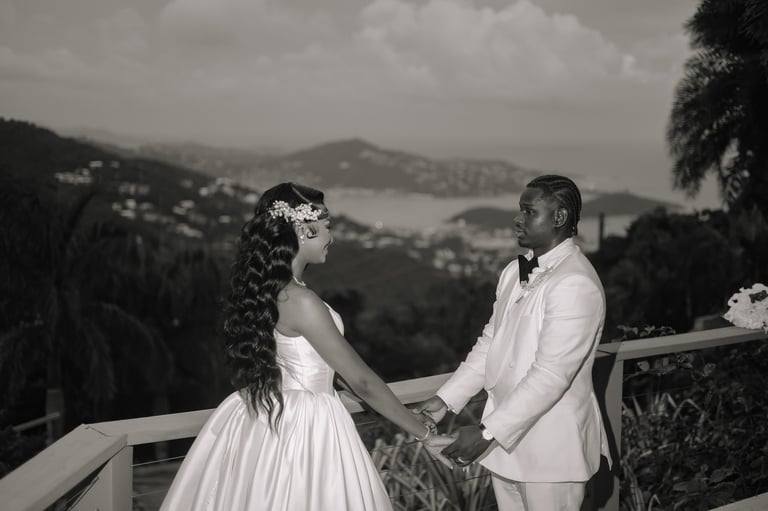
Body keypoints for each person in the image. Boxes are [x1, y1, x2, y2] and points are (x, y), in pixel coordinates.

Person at [160, 182, 449, 511]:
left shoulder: (269, 289)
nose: (331, 238)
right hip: (307, 426)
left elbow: (317, 362)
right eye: (326, 228)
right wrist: (424, 433)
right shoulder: (301, 300)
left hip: (268, 414)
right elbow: (363, 382)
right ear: (303, 230)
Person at [413, 175, 611, 510]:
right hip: (506, 449)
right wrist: (445, 400)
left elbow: (551, 375)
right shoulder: (511, 273)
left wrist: (487, 432)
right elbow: (491, 343)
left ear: (559, 218)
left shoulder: (576, 283)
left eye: (528, 211)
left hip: (550, 453)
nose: (518, 219)